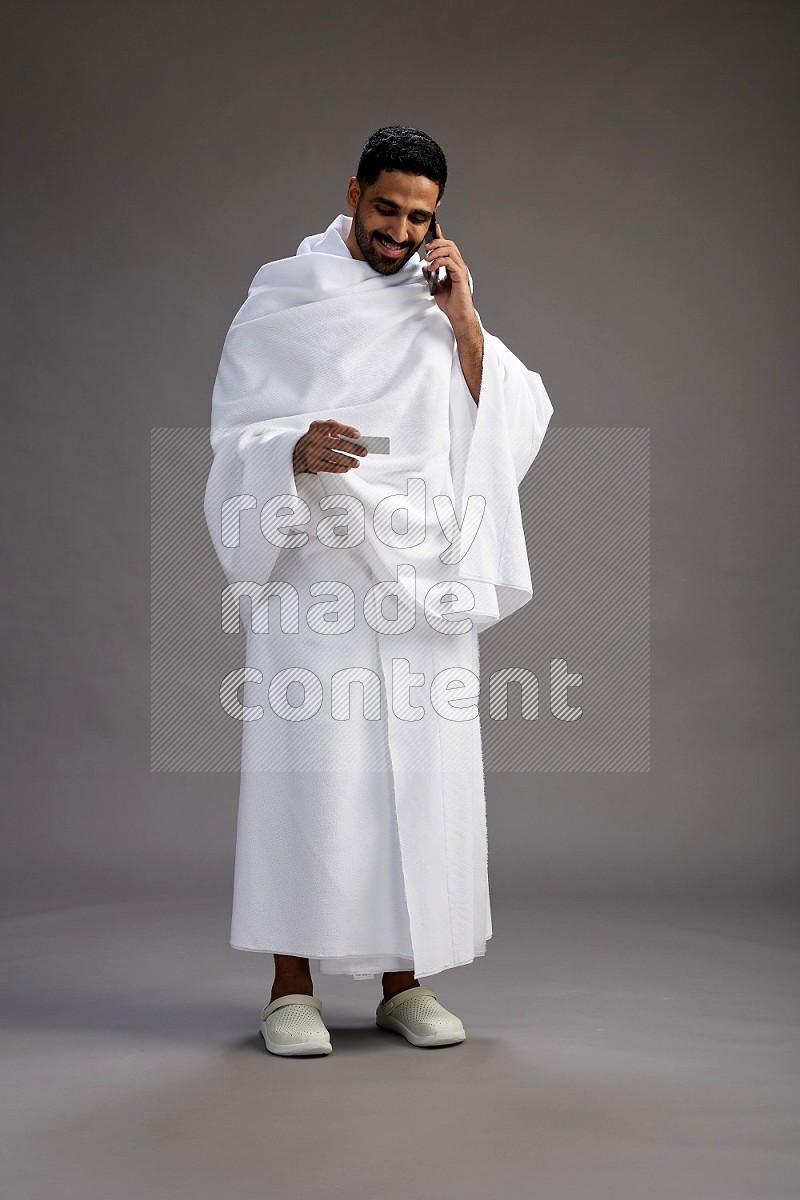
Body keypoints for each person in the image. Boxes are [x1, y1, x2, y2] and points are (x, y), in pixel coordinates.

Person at [204, 126, 553, 1056]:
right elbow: (231, 436)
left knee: (420, 778)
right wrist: (287, 452)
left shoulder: (436, 309)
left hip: (419, 578)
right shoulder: (285, 297)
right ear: (353, 192)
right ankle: (290, 990)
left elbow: (514, 422)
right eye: (387, 208)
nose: (400, 230)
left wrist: (465, 316)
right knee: (310, 773)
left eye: (421, 216)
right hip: (313, 575)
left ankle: (406, 982)